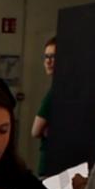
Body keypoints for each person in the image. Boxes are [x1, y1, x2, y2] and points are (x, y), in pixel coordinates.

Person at [32, 36, 57, 175]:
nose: (48, 61)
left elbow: (35, 131)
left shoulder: (54, 93)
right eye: (46, 56)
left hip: (50, 162)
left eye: (53, 57)